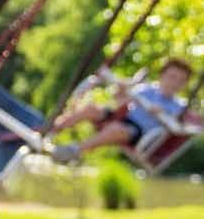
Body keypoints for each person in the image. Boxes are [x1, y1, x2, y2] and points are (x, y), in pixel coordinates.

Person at [51, 57, 194, 163]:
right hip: (123, 117)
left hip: (137, 132)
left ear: (185, 84)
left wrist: (162, 113)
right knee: (91, 109)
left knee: (116, 128)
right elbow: (120, 100)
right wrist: (121, 90)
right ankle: (51, 130)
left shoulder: (180, 106)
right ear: (162, 75)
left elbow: (178, 126)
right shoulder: (147, 89)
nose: (175, 83)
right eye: (172, 77)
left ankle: (74, 150)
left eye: (181, 80)